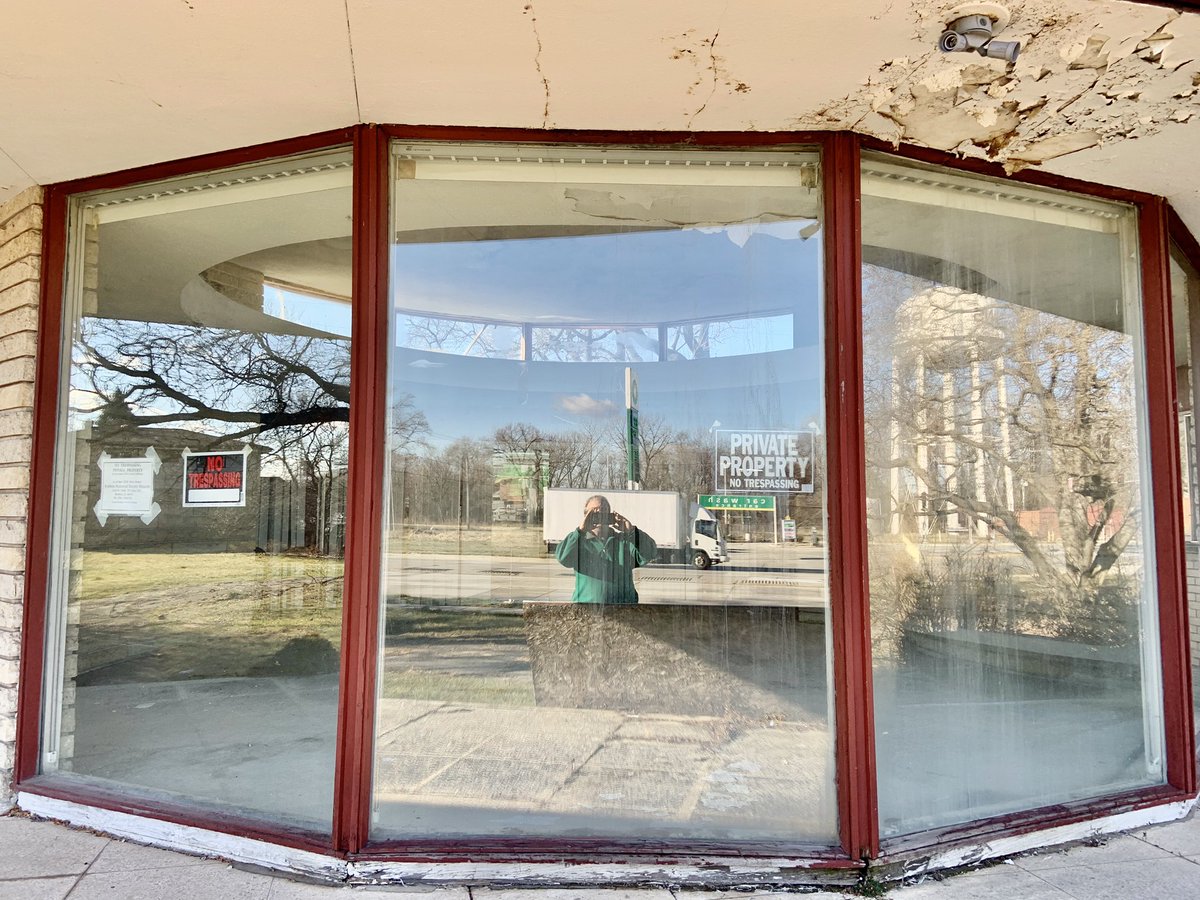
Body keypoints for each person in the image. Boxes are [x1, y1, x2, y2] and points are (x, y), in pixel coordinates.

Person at [555, 494, 657, 604]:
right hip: (587, 607)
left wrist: (632, 531)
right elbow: (563, 558)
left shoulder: (624, 541)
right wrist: (580, 531)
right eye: (594, 511)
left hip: (623, 608)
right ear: (585, 516)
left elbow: (649, 553)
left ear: (610, 515)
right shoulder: (579, 541)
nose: (599, 515)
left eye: (603, 511)